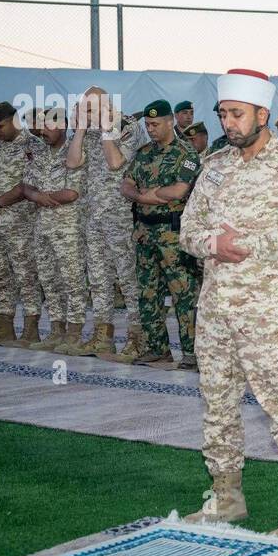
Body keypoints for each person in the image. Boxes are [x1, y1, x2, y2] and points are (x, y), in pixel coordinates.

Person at [179, 68, 278, 537]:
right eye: (224, 114)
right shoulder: (214, 166)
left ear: (263, 114)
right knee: (218, 405)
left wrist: (241, 243)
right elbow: (186, 230)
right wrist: (211, 245)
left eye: (238, 114)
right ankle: (226, 499)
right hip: (217, 311)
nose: (229, 123)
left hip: (269, 315)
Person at [113, 99, 202, 368]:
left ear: (169, 122)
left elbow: (179, 191)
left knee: (184, 295)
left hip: (173, 234)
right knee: (148, 293)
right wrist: (146, 196)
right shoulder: (144, 153)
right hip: (144, 233)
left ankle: (191, 352)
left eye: (155, 124)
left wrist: (145, 196)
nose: (150, 129)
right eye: (147, 125)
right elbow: (126, 184)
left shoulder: (186, 154)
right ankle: (157, 348)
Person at [71, 87, 147, 357]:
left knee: (128, 279)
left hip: (122, 215)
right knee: (99, 279)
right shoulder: (88, 130)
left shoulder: (128, 125)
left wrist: (104, 130)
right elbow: (72, 163)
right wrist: (80, 129)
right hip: (94, 215)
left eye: (90, 109)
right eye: (83, 108)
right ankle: (103, 335)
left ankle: (138, 337)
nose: (86, 114)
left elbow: (115, 162)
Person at [0, 102, 42, 346]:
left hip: (20, 224)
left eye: (0, 127)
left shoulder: (32, 145)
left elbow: (28, 184)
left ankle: (31, 328)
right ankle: (5, 324)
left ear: (14, 120)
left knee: (25, 275)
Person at [21, 107, 88, 353]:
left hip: (68, 228)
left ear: (62, 126)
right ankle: (56, 329)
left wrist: (41, 196)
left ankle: (75, 332)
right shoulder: (39, 152)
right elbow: (26, 185)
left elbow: (72, 192)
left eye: (48, 126)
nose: (42, 130)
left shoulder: (75, 150)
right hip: (42, 227)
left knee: (72, 281)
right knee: (48, 280)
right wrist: (36, 195)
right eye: (41, 126)